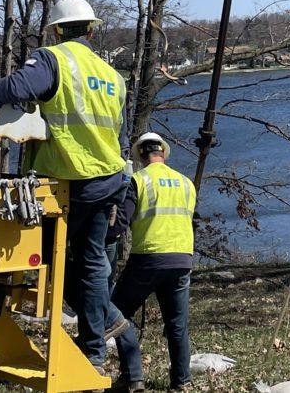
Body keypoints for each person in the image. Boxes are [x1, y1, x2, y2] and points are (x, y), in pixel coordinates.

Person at [0, 0, 129, 372]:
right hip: (109, 178)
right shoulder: (112, 75)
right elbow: (120, 134)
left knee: (51, 256)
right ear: (92, 30)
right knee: (93, 261)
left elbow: (17, 88)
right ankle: (95, 347)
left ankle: (105, 321)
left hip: (69, 179)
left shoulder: (53, 59)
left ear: (57, 30)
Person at [109, 132, 196, 392]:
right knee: (177, 324)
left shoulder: (139, 180)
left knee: (117, 312)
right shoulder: (185, 183)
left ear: (140, 156)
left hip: (149, 257)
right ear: (163, 154)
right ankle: (182, 381)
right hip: (182, 259)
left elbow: (121, 223)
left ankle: (133, 376)